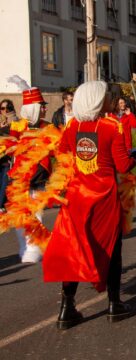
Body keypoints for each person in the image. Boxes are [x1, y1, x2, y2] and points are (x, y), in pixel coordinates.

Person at [42, 81, 136, 329]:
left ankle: (67, 308)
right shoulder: (112, 127)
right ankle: (113, 304)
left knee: (74, 250)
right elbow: (122, 166)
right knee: (111, 250)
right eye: (107, 95)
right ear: (98, 101)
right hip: (104, 199)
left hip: (76, 198)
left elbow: (63, 159)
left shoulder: (71, 125)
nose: (110, 98)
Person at [5, 76, 52, 263]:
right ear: (33, 108)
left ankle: (34, 247)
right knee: (20, 213)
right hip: (21, 176)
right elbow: (9, 147)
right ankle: (26, 246)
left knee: (37, 212)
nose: (45, 109)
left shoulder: (48, 127)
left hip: (40, 175)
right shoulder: (17, 126)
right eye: (42, 105)